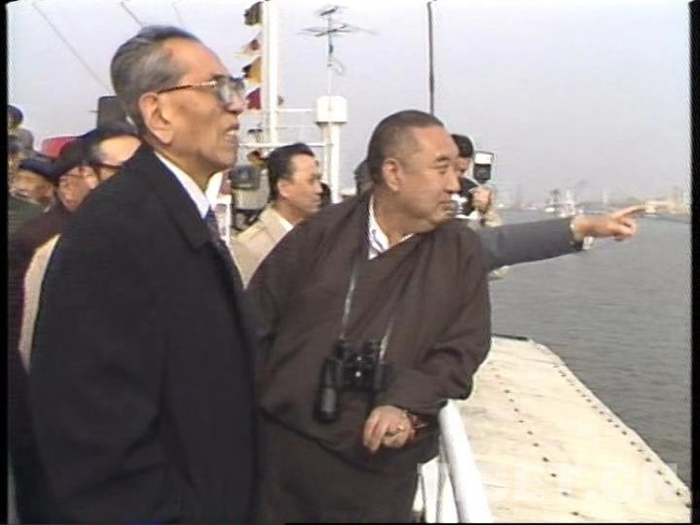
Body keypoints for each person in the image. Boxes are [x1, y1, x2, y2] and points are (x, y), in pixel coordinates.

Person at [29, 25, 258, 523]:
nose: (237, 106)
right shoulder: (116, 231)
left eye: (236, 89)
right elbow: (95, 434)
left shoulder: (171, 215)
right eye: (218, 89)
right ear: (158, 114)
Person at [248, 109, 493, 522]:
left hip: (378, 476)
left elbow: (462, 349)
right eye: (441, 169)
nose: (455, 184)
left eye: (456, 170)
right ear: (394, 173)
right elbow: (254, 326)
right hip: (282, 462)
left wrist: (406, 403)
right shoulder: (320, 234)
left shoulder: (459, 252)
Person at [18, 124, 141, 372]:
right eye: (121, 170)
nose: (139, 181)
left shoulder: (160, 239)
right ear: (88, 176)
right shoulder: (49, 246)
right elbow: (34, 345)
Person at [233, 142, 323, 285]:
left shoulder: (322, 239)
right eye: (311, 181)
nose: (319, 190)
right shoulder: (251, 247)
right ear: (283, 188)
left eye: (319, 180)